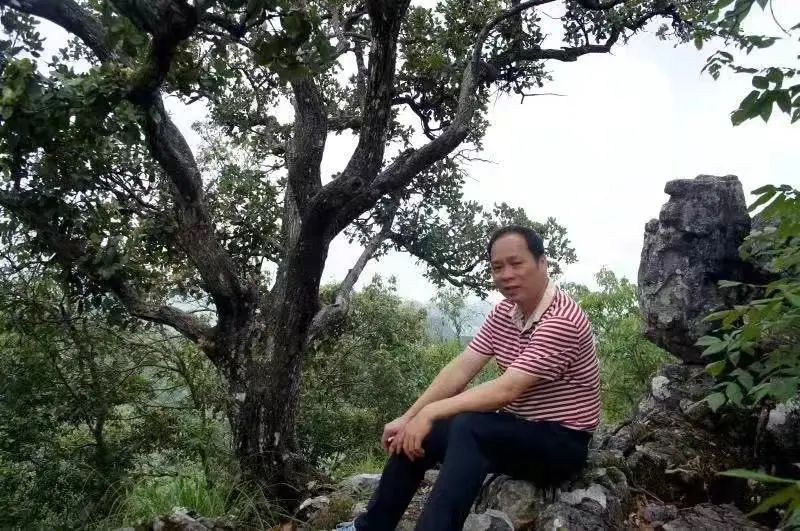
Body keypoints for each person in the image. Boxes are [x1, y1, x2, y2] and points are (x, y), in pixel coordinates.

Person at [337, 225, 600, 531]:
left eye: (516, 263)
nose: (506, 274)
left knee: (469, 426)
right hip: (516, 430)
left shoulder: (562, 320)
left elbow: (507, 389)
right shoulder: (505, 312)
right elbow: (461, 368)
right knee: (424, 430)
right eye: (497, 267)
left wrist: (431, 411)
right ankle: (370, 527)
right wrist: (410, 417)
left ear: (542, 263)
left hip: (561, 443)